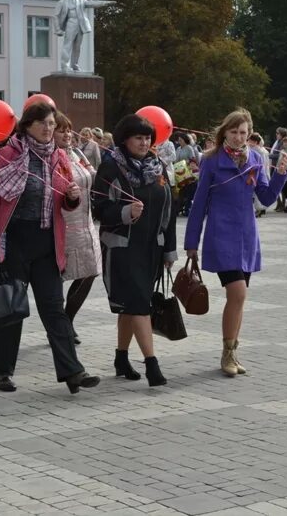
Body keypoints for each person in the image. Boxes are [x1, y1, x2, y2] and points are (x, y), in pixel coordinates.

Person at [0, 101, 99, 394]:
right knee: (14, 308)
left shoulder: (59, 156)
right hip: (16, 240)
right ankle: (2, 371)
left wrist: (72, 196)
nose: (49, 129)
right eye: (43, 124)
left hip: (47, 242)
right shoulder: (9, 154)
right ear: (27, 126)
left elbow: (66, 202)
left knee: (53, 309)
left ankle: (73, 371)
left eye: (52, 124)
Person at [184, 109, 287, 377]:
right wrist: (191, 242)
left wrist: (280, 174)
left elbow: (265, 198)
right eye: (233, 132)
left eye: (243, 133)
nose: (238, 138)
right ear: (225, 132)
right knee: (238, 293)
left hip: (246, 236)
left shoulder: (255, 158)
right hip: (221, 235)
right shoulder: (211, 160)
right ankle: (227, 354)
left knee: (240, 298)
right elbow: (199, 204)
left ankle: (232, 351)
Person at [92, 114, 177, 385]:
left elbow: (169, 211)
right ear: (124, 140)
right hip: (122, 249)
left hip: (152, 247)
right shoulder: (110, 169)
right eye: (138, 137)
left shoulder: (158, 167)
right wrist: (125, 212)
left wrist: (170, 249)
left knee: (131, 305)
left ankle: (120, 357)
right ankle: (153, 366)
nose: (144, 143)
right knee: (139, 304)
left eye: (148, 138)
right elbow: (99, 208)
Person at [57, 113, 102, 333]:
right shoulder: (51, 157)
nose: (66, 134)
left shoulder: (74, 153)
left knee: (89, 271)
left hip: (86, 222)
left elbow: (95, 174)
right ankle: (59, 325)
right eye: (60, 130)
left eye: (68, 129)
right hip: (64, 223)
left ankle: (67, 320)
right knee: (58, 278)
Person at [54, 0, 116, 72]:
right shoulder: (62, 2)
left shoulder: (82, 1)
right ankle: (64, 65)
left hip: (80, 25)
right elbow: (56, 16)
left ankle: (74, 64)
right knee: (67, 45)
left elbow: (92, 4)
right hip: (70, 23)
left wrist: (106, 3)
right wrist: (57, 29)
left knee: (77, 47)